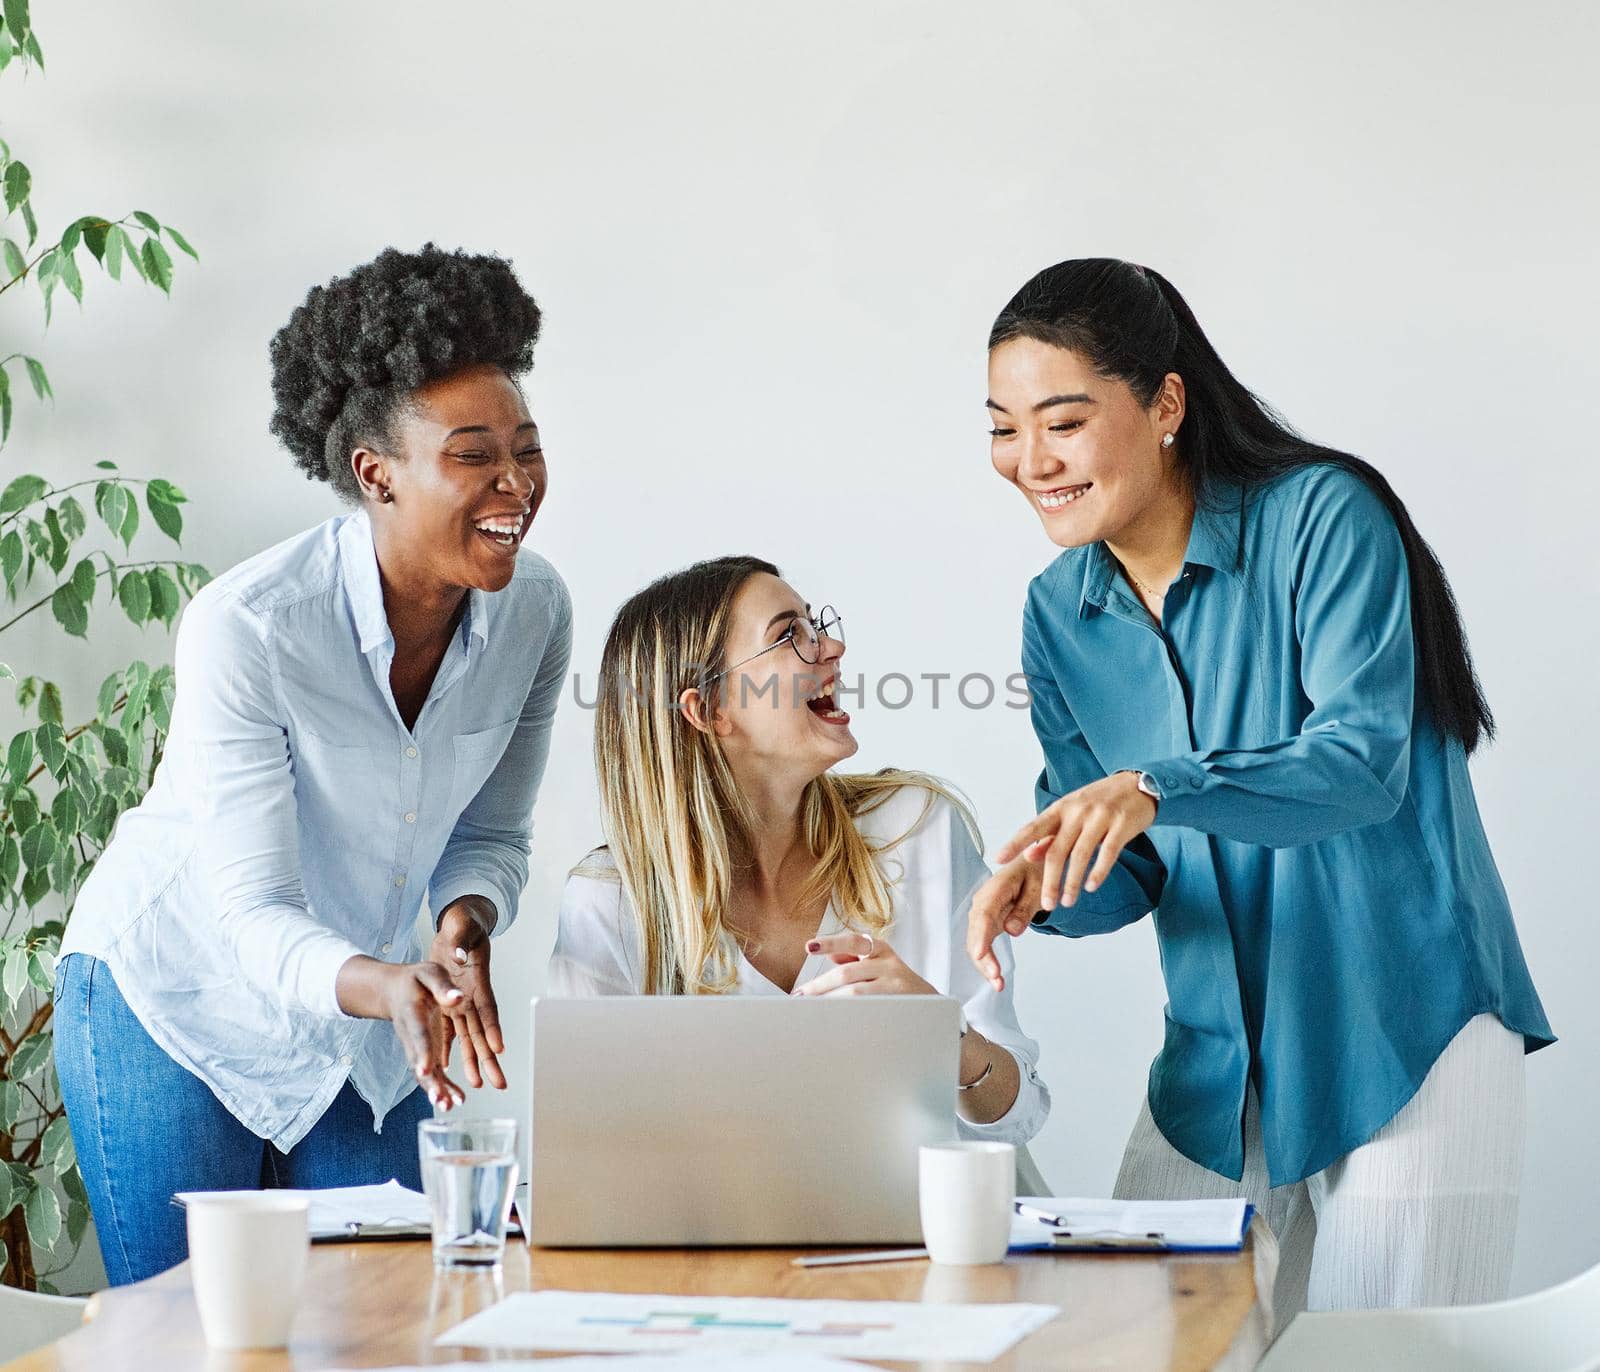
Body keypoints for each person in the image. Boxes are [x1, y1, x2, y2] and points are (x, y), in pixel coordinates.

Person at [966, 258, 1552, 1322]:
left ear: (1166, 404)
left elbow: (1359, 766)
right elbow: (1128, 868)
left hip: (1403, 1030)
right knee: (1125, 1342)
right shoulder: (1057, 612)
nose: (1029, 460)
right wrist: (1043, 886)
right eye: (1003, 427)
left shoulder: (1324, 516)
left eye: (1061, 421)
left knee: (1384, 1363)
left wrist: (1151, 784)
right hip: (1214, 1068)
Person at [53, 243, 572, 1285]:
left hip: (368, 1016)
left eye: (525, 445)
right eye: (473, 454)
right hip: (178, 1001)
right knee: (187, 1335)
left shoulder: (537, 610)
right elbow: (249, 914)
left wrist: (462, 930)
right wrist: (388, 980)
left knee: (381, 1324)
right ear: (375, 473)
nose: (515, 481)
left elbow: (491, 836)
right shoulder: (248, 628)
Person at [549, 556, 1050, 1183]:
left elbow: (1021, 1114)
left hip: (943, 1249)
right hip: (726, 1262)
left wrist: (937, 1029)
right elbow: (585, 1155)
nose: (832, 646)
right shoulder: (610, 903)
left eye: (816, 625)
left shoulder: (915, 829)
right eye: (790, 635)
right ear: (708, 712)